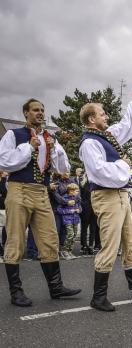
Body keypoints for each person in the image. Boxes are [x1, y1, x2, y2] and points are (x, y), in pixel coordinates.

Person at [79, 89, 132, 311]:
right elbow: (100, 172)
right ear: (91, 119)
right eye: (102, 114)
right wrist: (124, 164)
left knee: (130, 242)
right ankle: (98, 297)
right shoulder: (90, 143)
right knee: (110, 245)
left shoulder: (105, 136)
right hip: (107, 196)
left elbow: (127, 125)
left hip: (121, 194)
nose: (106, 117)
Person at [0, 98, 81, 307]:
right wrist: (28, 146)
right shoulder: (13, 135)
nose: (40, 113)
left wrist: (54, 149)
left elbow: (63, 169)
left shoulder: (49, 138)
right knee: (15, 240)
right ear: (26, 113)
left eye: (42, 110)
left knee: (50, 239)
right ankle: (16, 291)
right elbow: (5, 162)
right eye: (35, 110)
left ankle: (56, 287)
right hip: (19, 189)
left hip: (42, 192)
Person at [57, 183, 82, 260]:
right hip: (68, 219)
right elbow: (59, 210)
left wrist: (79, 210)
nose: (78, 192)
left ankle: (69, 251)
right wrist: (70, 211)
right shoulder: (65, 198)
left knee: (74, 236)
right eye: (76, 191)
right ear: (71, 191)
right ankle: (64, 251)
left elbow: (80, 208)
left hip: (76, 219)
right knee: (70, 234)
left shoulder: (76, 199)